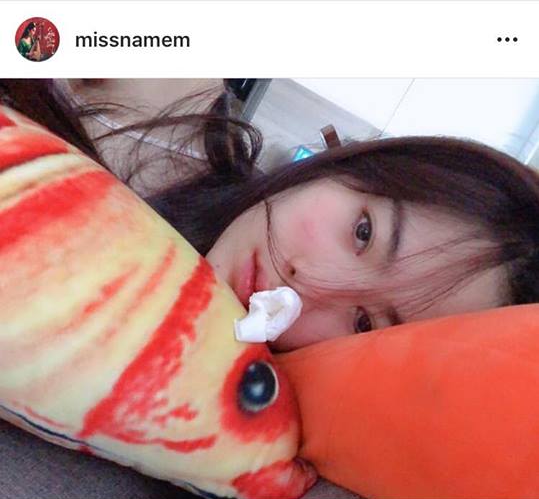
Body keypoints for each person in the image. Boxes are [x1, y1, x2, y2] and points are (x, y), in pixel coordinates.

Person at [1, 79, 538, 355]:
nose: (309, 284)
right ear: (351, 167)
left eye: (364, 323)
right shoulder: (161, 107)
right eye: (363, 232)